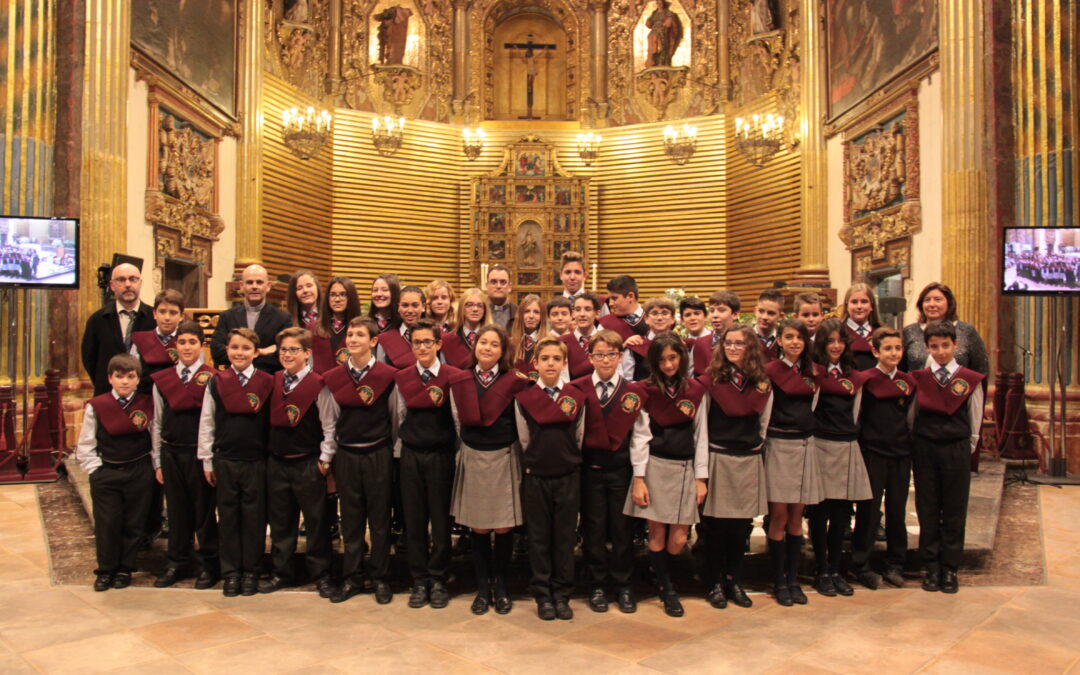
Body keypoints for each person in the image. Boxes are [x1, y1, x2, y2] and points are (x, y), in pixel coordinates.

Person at [448, 324, 531, 616]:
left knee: (504, 526)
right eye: (483, 342)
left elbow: (521, 424)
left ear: (503, 351)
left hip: (504, 456)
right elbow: (457, 421)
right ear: (475, 346)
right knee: (479, 527)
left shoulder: (515, 381)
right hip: (473, 455)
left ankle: (502, 586)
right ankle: (483, 588)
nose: (487, 348)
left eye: (494, 344)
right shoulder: (461, 380)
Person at [625, 332, 708, 618]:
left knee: (679, 538)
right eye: (662, 360)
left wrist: (701, 477)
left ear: (682, 358)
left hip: (685, 468)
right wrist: (639, 477)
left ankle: (657, 570)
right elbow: (639, 437)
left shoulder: (695, 389)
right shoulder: (646, 390)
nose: (668, 365)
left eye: (673, 358)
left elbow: (701, 435)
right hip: (656, 467)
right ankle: (667, 588)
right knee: (658, 532)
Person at [322, 318, 400, 605]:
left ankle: (380, 578)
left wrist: (386, 448)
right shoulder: (334, 377)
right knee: (351, 520)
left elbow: (394, 417)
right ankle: (352, 576)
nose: (353, 339)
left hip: (378, 451)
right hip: (347, 453)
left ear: (373, 341)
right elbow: (331, 419)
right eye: (350, 335)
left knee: (380, 520)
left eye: (360, 335)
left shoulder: (387, 375)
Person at [569, 330, 645, 614]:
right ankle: (597, 584)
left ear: (620, 356)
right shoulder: (577, 388)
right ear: (590, 358)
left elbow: (640, 436)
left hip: (621, 471)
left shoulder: (633, 392)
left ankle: (624, 585)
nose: (605, 359)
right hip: (589, 470)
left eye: (611, 354)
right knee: (594, 529)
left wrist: (639, 476)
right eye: (599, 354)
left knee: (622, 530)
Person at [259, 327, 336, 599]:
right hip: (278, 461)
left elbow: (329, 425)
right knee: (281, 523)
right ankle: (282, 572)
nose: (288, 354)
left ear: (307, 353)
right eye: (283, 350)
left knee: (316, 523)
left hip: (308, 463)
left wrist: (325, 460)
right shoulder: (274, 380)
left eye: (294, 349)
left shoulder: (319, 384)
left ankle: (321, 574)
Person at [698, 324, 771, 610]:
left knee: (741, 528)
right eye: (728, 343)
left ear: (750, 347)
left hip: (748, 458)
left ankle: (733, 580)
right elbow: (701, 425)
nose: (733, 348)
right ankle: (713, 582)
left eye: (740, 343)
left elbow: (764, 421)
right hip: (719, 456)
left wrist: (755, 447)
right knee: (715, 527)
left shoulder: (761, 381)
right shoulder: (710, 380)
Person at [909, 321, 986, 593]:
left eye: (945, 345)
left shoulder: (969, 379)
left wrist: (971, 443)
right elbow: (913, 415)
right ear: (927, 347)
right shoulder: (919, 378)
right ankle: (930, 566)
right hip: (925, 447)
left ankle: (950, 568)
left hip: (955, 446)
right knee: (927, 507)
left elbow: (976, 414)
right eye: (934, 346)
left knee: (954, 509)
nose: (940, 352)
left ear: (955, 345)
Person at [198, 328, 274, 597]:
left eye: (245, 348)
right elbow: (207, 421)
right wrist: (207, 460)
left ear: (255, 352)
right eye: (234, 348)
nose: (239, 353)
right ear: (226, 351)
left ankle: (251, 570)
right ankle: (231, 573)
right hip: (225, 459)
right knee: (228, 518)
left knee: (255, 519)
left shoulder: (267, 381)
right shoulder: (216, 382)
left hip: (256, 460)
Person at [515, 337, 587, 620]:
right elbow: (523, 439)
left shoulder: (575, 396)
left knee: (565, 537)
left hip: (568, 475)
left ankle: (562, 593)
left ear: (564, 363)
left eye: (556, 359)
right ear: (535, 364)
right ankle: (543, 594)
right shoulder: (524, 398)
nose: (550, 363)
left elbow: (579, 436)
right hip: (537, 476)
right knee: (540, 538)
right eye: (544, 358)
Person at [392, 318, 461, 609]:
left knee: (441, 521)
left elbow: (458, 420)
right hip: (411, 455)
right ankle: (419, 579)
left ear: (438, 344)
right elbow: (398, 417)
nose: (422, 347)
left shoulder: (451, 376)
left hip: (441, 455)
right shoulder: (403, 377)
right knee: (415, 520)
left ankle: (438, 577)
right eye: (416, 342)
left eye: (427, 342)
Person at [76, 354, 155, 591]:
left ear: (138, 379)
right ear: (110, 378)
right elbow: (86, 441)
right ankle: (106, 569)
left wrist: (152, 467)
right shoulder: (97, 405)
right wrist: (94, 469)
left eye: (130, 377)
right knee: (107, 523)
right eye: (119, 377)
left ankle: (125, 569)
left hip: (138, 471)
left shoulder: (146, 403)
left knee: (134, 523)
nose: (124, 382)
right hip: (107, 472)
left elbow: (154, 436)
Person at [151, 320, 219, 590]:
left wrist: (208, 458)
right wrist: (157, 460)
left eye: (192, 342)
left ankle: (209, 564)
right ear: (174, 345)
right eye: (182, 342)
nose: (187, 347)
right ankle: (176, 562)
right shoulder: (162, 380)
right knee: (177, 511)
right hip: (170, 451)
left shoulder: (212, 377)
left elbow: (212, 421)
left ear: (202, 345)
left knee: (203, 511)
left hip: (198, 454)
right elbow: (156, 421)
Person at [808, 319, 871, 598]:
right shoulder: (813, 372)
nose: (835, 346)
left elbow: (855, 412)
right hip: (821, 446)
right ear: (821, 344)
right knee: (820, 515)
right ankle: (820, 569)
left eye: (840, 341)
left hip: (846, 445)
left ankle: (836, 569)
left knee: (841, 514)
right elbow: (810, 409)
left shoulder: (852, 373)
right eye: (829, 341)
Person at [850, 326, 917, 590]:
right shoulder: (865, 379)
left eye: (898, 348)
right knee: (868, 510)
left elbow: (910, 418)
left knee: (897, 510)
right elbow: (856, 417)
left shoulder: (907, 381)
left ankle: (896, 563)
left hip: (901, 453)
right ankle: (861, 564)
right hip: (872, 453)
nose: (894, 353)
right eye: (887, 348)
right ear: (875, 351)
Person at [763, 318, 824, 606]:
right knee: (779, 516)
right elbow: (765, 410)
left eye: (800, 337)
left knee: (797, 517)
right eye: (789, 337)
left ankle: (793, 578)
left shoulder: (812, 371)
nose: (795, 342)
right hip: (779, 444)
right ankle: (777, 580)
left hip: (804, 444)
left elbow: (812, 405)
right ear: (780, 341)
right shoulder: (770, 371)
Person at [81, 262, 155, 395]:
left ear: (140, 283)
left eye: (133, 279)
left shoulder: (154, 319)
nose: (128, 284)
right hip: (108, 395)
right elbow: (89, 358)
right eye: (121, 280)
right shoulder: (97, 320)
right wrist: (108, 381)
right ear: (112, 286)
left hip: (145, 396)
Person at [210, 264, 292, 374]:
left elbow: (284, 356)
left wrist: (237, 356)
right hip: (234, 382)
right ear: (241, 286)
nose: (254, 286)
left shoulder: (282, 318)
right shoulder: (227, 317)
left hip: (268, 383)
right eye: (249, 282)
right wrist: (261, 352)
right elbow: (217, 353)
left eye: (259, 282)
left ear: (268, 286)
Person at [902, 282, 989, 377]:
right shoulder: (910, 332)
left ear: (949, 302)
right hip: (918, 389)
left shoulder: (967, 331)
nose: (931, 304)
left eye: (937, 300)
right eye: (927, 300)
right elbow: (900, 370)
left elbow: (981, 368)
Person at [130, 289, 185, 395]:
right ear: (155, 314)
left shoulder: (187, 342)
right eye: (162, 312)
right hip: (146, 399)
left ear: (181, 316)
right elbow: (132, 374)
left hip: (177, 400)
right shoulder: (140, 341)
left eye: (173, 313)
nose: (167, 318)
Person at [620, 296, 678, 382]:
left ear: (673, 319)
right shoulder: (635, 346)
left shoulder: (680, 345)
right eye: (654, 313)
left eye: (665, 313)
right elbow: (627, 381)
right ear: (646, 319)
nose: (659, 318)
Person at [314, 276, 361, 373]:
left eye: (343, 294)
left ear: (351, 297)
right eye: (333, 295)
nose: (337, 299)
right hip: (321, 384)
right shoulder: (314, 327)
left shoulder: (361, 327)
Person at [692, 290, 740, 376]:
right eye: (712, 310)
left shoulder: (745, 342)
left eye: (721, 310)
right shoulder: (701, 344)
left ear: (735, 314)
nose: (715, 315)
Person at [379, 285, 426, 369]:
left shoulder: (436, 336)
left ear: (423, 307)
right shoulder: (385, 339)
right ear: (398, 307)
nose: (410, 311)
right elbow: (381, 374)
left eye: (415, 305)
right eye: (405, 305)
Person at [441, 287, 490, 369]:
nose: (475, 309)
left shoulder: (494, 340)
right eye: (469, 305)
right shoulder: (447, 341)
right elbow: (445, 372)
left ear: (485, 310)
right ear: (462, 309)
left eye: (480, 306)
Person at [840, 282, 883, 371]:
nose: (859, 306)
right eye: (854, 302)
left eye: (864, 301)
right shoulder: (838, 332)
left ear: (871, 306)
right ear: (846, 305)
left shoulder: (882, 333)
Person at [559, 293, 600, 379]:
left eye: (587, 309)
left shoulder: (606, 340)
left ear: (597, 313)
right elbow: (562, 377)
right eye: (578, 309)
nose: (582, 314)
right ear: (573, 314)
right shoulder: (562, 342)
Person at [599, 274, 646, 342]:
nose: (610, 303)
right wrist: (623, 346)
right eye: (609, 299)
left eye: (614, 298)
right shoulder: (605, 323)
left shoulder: (653, 319)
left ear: (630, 296)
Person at [510, 294, 545, 377]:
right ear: (520, 315)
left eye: (536, 312)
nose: (531, 316)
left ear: (542, 317)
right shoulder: (509, 344)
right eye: (526, 311)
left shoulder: (549, 343)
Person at [753, 289, 784, 362]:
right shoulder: (744, 337)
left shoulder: (783, 341)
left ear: (781, 316)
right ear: (755, 311)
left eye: (771, 313)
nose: (764, 317)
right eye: (761, 311)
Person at [487, 264, 517, 331]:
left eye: (503, 282)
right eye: (493, 282)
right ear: (487, 286)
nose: (498, 286)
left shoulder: (519, 314)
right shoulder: (479, 313)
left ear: (509, 287)